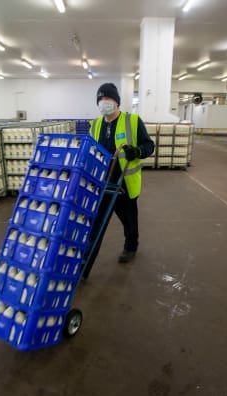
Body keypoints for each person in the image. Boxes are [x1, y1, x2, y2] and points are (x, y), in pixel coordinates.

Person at [84, 83, 155, 275]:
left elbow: (149, 145)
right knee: (97, 223)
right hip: (102, 183)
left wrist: (138, 151)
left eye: (108, 99)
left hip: (124, 183)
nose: (104, 103)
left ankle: (131, 247)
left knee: (129, 220)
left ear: (116, 102)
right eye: (101, 100)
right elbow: (90, 151)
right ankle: (85, 264)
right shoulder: (96, 124)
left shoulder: (132, 121)